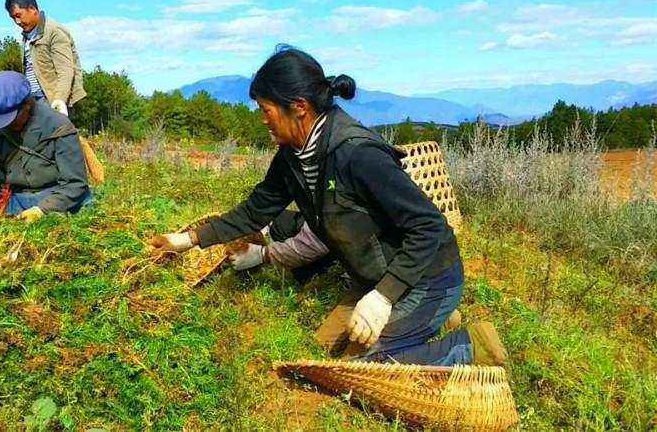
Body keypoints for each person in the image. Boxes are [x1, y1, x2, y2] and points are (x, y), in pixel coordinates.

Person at [149, 46, 506, 366]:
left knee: (365, 364)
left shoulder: (358, 155)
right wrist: (186, 240)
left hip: (427, 276)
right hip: (377, 275)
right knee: (326, 344)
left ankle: (471, 346)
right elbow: (256, 210)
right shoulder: (293, 155)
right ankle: (431, 320)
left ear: (299, 107)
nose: (262, 119)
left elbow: (429, 226)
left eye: (266, 109)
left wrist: (383, 297)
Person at [0, 71, 92, 222]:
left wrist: (42, 210)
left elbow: (75, 184)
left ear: (27, 105)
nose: (5, 126)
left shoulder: (59, 127)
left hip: (63, 203)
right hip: (19, 203)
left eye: (10, 120)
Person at [5, 0, 85, 116]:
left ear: (32, 9)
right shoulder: (27, 35)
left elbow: (66, 71)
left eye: (18, 15)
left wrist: (59, 101)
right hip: (33, 98)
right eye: (13, 18)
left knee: (53, 135)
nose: (17, 22)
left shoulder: (54, 31)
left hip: (51, 99)